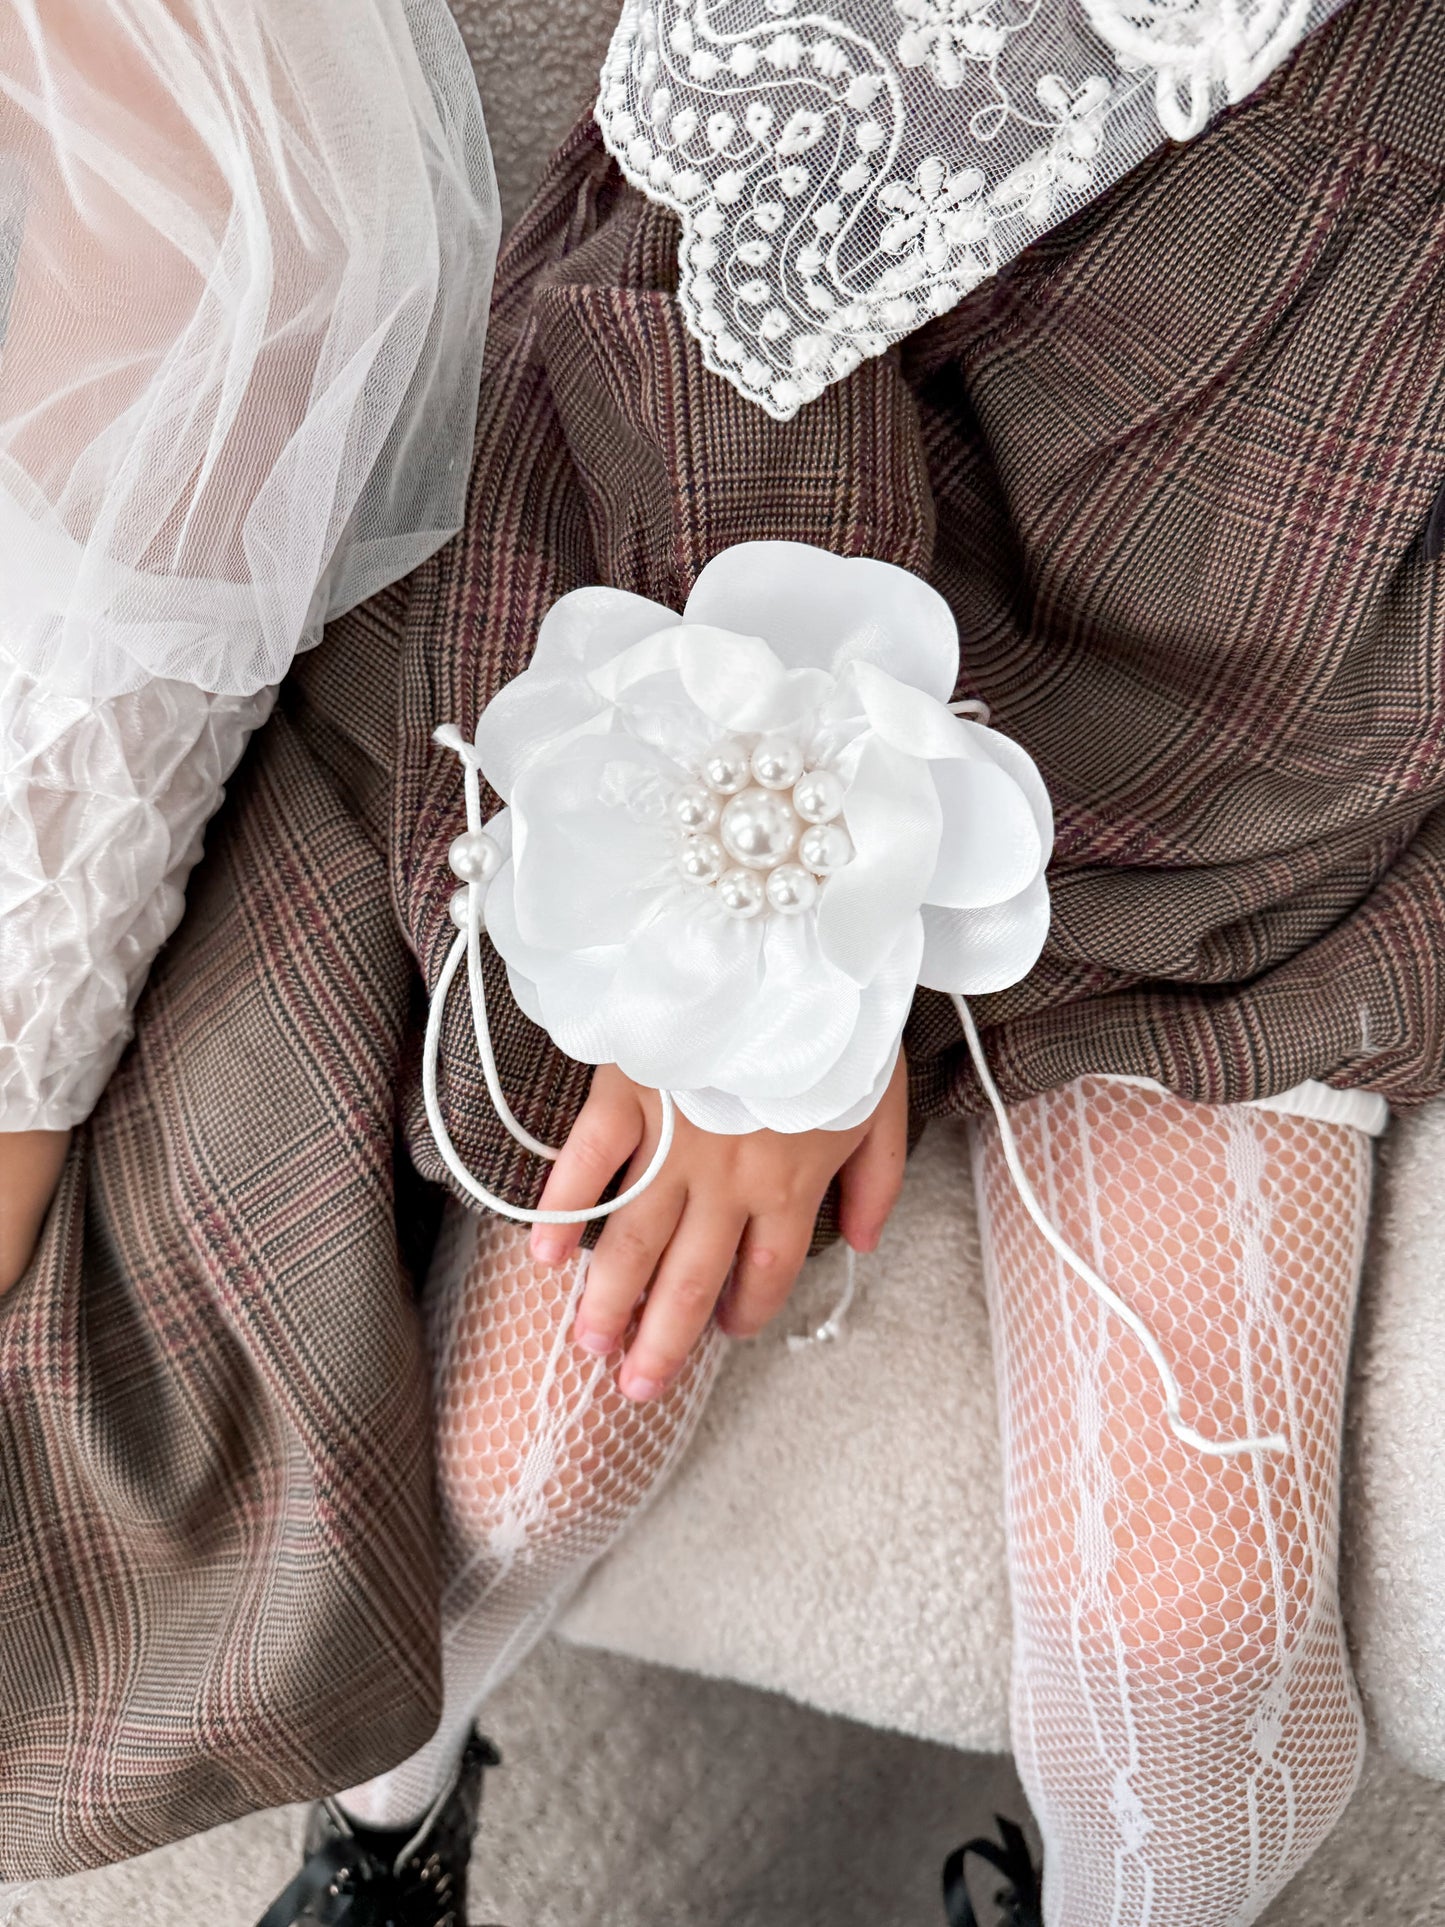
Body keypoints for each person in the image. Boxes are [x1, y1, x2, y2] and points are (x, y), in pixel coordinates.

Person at [3, 5, 1442, 1927]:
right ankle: (386, 1838)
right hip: (797, 566)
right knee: (521, 1454)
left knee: (1194, 1666)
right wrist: (786, 897)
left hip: (1283, 748)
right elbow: (732, 218)